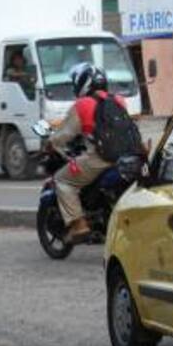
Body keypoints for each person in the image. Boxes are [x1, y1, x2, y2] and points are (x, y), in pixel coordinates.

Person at [49, 62, 126, 243]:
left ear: (83, 83)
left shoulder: (83, 104)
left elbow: (63, 135)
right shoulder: (118, 100)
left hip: (102, 158)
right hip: (128, 156)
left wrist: (50, 144)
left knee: (62, 179)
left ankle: (79, 224)